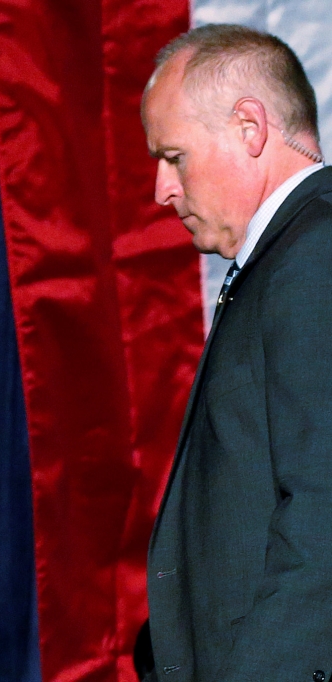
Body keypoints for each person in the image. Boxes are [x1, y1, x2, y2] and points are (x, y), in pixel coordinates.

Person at [139, 24, 330, 682]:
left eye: (174, 155)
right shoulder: (286, 256)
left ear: (250, 126)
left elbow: (325, 519)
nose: (162, 189)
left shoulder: (316, 256)